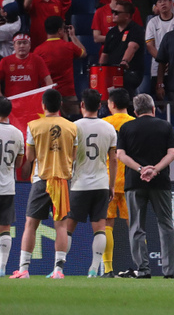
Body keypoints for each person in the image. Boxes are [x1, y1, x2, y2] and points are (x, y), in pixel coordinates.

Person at [11, 89, 79, 279]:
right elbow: (73, 156)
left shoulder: (33, 125)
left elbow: (30, 157)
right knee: (62, 226)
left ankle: (24, 270)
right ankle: (58, 271)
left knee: (31, 224)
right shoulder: (72, 127)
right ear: (61, 105)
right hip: (63, 180)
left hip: (41, 179)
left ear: (43, 105)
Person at [115, 93, 174, 279]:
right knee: (166, 225)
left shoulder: (126, 127)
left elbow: (120, 155)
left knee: (136, 227)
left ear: (135, 111)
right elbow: (172, 153)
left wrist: (141, 169)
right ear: (152, 109)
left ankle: (143, 270)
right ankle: (169, 271)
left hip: (134, 183)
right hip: (161, 183)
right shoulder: (165, 126)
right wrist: (155, 169)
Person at [67, 89, 117, 278]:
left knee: (68, 227)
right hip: (101, 183)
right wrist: (111, 185)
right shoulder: (109, 128)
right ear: (99, 106)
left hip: (79, 184)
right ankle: (94, 268)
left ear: (82, 105)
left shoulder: (74, 127)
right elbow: (113, 160)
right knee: (100, 227)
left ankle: (59, 266)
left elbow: (70, 157)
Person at [102, 88, 134, 278]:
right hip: (131, 181)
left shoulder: (104, 124)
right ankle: (141, 267)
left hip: (108, 181)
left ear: (111, 104)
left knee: (107, 224)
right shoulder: (135, 124)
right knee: (135, 226)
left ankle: (107, 269)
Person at [99, 0, 146, 96]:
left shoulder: (136, 30)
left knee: (124, 81)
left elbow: (132, 47)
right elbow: (105, 55)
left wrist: (124, 62)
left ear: (127, 16)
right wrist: (99, 70)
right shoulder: (111, 33)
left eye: (117, 13)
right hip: (112, 73)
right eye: (113, 12)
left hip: (130, 72)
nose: (113, 14)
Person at [0, 97, 23, 276]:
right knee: (5, 228)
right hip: (7, 186)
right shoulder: (17, 133)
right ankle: (2, 267)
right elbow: (19, 162)